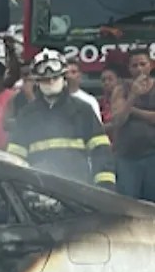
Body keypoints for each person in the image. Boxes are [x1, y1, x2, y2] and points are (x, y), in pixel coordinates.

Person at [7, 49, 115, 189]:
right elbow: (15, 158)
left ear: (64, 77)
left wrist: (105, 186)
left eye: (55, 77)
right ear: (37, 81)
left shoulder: (83, 110)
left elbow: (101, 152)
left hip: (78, 188)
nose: (51, 82)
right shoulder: (27, 114)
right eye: (45, 79)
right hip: (38, 190)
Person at [111, 48, 155, 199]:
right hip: (127, 158)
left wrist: (132, 110)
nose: (139, 69)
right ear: (129, 68)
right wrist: (133, 95)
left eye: (143, 64)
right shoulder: (121, 89)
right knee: (127, 206)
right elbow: (118, 120)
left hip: (153, 156)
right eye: (134, 65)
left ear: (151, 65)